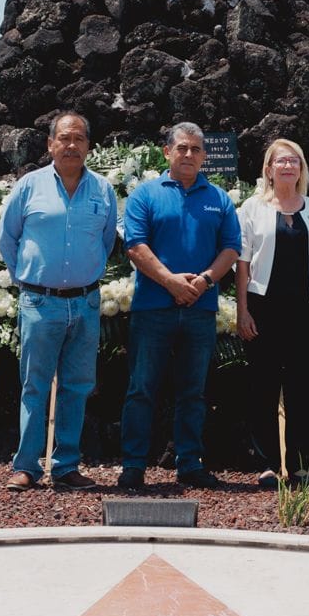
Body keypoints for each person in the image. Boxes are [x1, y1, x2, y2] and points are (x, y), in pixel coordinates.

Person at [0, 112, 118, 491]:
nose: (71, 145)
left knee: (77, 386)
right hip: (40, 303)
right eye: (64, 138)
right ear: (50, 144)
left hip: (85, 304)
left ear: (88, 146)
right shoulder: (29, 187)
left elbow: (108, 240)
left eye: (79, 139)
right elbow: (7, 239)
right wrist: (28, 280)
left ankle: (65, 466)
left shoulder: (102, 191)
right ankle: (27, 466)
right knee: (34, 385)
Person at [117, 121, 242, 490]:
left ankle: (189, 464)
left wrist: (202, 281)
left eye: (196, 149)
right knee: (141, 388)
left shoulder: (218, 198)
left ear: (204, 156)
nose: (189, 155)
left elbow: (231, 249)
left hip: (200, 311)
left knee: (194, 392)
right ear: (167, 152)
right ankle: (134, 465)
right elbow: (136, 246)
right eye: (182, 148)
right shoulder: (146, 195)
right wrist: (171, 282)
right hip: (153, 308)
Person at [234, 138, 309, 488]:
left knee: (301, 389)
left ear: (301, 168)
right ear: (269, 169)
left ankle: (301, 465)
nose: (288, 166)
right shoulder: (252, 208)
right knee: (262, 387)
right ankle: (268, 464)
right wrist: (242, 311)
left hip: (303, 309)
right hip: (263, 307)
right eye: (281, 161)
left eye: (294, 161)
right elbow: (242, 264)